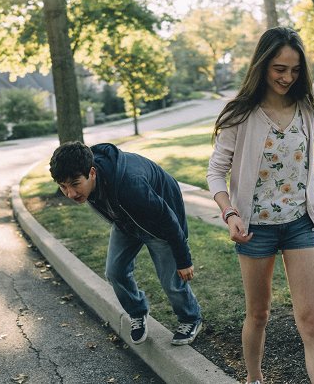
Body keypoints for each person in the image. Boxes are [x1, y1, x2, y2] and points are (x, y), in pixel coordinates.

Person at [207, 27, 314, 384]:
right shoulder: (240, 114)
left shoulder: (306, 109)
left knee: (313, 322)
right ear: (263, 65)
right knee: (259, 314)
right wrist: (230, 213)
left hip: (299, 225)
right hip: (255, 231)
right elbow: (216, 173)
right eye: (280, 68)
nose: (287, 77)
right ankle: (254, 378)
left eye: (295, 70)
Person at [49, 141, 202, 346]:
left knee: (171, 280)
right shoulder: (87, 178)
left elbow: (169, 219)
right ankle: (137, 312)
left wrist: (184, 260)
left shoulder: (131, 184)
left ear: (92, 173)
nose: (70, 194)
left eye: (75, 184)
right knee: (115, 271)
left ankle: (191, 318)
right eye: (63, 187)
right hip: (126, 222)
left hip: (158, 225)